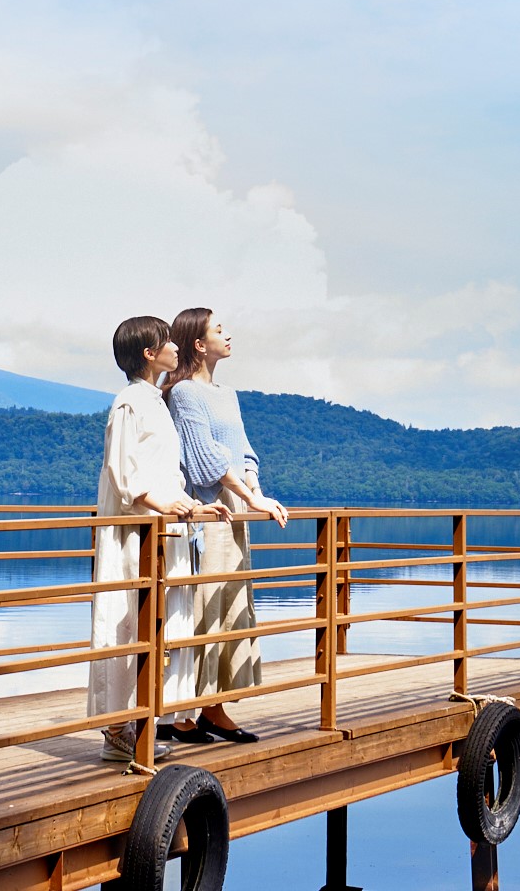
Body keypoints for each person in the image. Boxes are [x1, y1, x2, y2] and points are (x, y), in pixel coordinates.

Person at [88, 314, 222, 764]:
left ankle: (138, 723)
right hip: (132, 534)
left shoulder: (155, 402)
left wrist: (192, 506)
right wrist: (161, 504)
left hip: (158, 531)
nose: (175, 347)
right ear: (149, 354)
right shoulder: (129, 402)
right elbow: (123, 470)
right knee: (125, 621)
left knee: (153, 627)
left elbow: (164, 473)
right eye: (167, 341)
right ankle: (116, 730)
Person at [162, 306, 288, 744]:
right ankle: (181, 712)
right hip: (206, 513)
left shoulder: (227, 394)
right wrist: (252, 497)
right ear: (199, 344)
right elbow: (206, 458)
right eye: (219, 329)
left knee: (232, 605)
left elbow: (243, 452)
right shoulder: (183, 395)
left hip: (233, 513)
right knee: (203, 607)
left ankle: (214, 707)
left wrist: (256, 490)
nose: (228, 334)